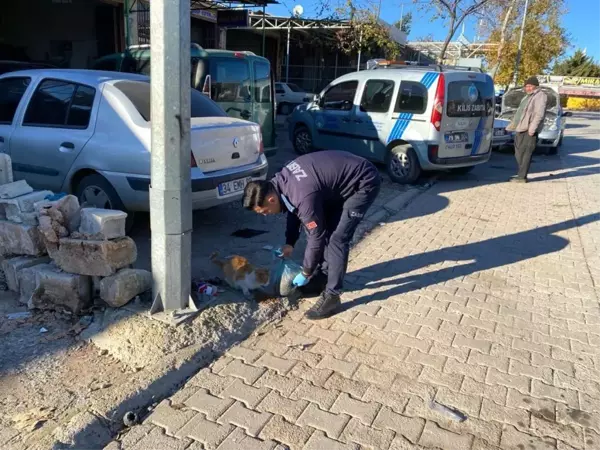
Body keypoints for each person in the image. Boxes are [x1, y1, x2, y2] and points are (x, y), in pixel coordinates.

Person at [242, 150, 381, 319]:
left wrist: (306, 271)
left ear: (271, 199)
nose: (265, 215)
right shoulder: (279, 183)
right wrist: (290, 242)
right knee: (326, 230)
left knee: (337, 239)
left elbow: (316, 237)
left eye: (264, 211)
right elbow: (293, 209)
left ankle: (332, 295)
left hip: (363, 181)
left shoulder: (302, 195)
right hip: (335, 185)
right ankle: (322, 277)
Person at [506, 76, 547, 183]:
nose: (528, 88)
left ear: (535, 86)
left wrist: (532, 129)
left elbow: (539, 114)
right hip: (521, 127)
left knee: (526, 153)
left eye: (530, 86)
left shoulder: (540, 96)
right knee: (518, 152)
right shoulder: (527, 96)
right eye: (526, 86)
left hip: (529, 129)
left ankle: (521, 177)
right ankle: (521, 173)